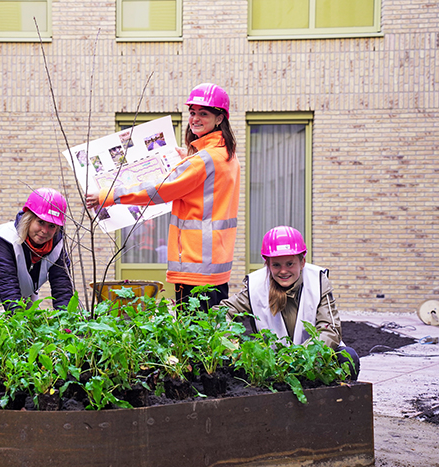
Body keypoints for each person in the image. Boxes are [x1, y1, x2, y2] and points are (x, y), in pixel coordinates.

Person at [87, 83, 240, 312]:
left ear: (220, 119)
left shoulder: (203, 161)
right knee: (209, 339)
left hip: (195, 267)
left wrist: (108, 195)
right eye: (192, 112)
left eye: (203, 113)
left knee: (191, 340)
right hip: (214, 265)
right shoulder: (226, 155)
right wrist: (189, 158)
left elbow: (159, 190)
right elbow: (204, 190)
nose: (195, 118)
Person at [221, 226, 360, 380]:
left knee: (348, 357)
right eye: (276, 265)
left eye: (290, 264)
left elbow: (331, 329)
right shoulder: (256, 285)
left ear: (302, 262)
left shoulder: (318, 281)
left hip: (313, 361)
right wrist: (233, 345)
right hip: (272, 365)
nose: (283, 271)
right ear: (267, 264)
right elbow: (222, 313)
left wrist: (302, 356)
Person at [0, 188, 74, 311]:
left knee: (32, 324)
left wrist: (65, 323)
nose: (45, 231)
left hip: (23, 285)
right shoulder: (4, 242)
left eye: (52, 226)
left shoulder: (57, 247)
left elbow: (62, 287)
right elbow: (9, 290)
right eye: (41, 222)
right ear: (29, 219)